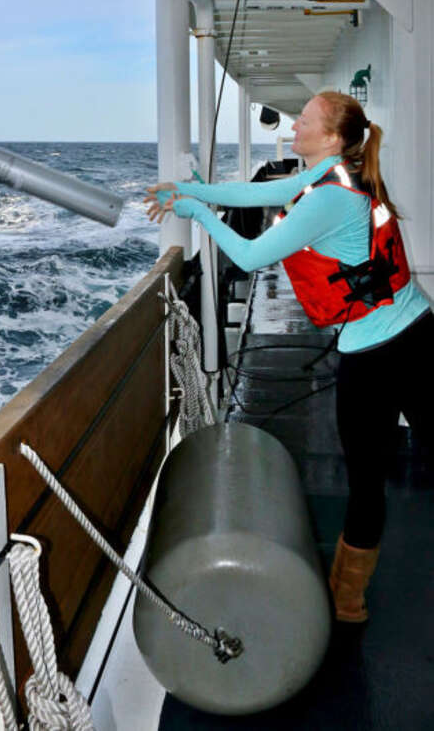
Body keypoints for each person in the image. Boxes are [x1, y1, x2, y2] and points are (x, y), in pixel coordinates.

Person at [144, 91, 433, 623]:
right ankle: (346, 597)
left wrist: (198, 215)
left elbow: (252, 255)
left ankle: (347, 603)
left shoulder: (325, 197)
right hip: (418, 332)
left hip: (374, 356)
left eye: (305, 119)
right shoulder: (339, 175)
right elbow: (261, 192)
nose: (294, 124)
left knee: (366, 483)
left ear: (329, 138)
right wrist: (187, 190)